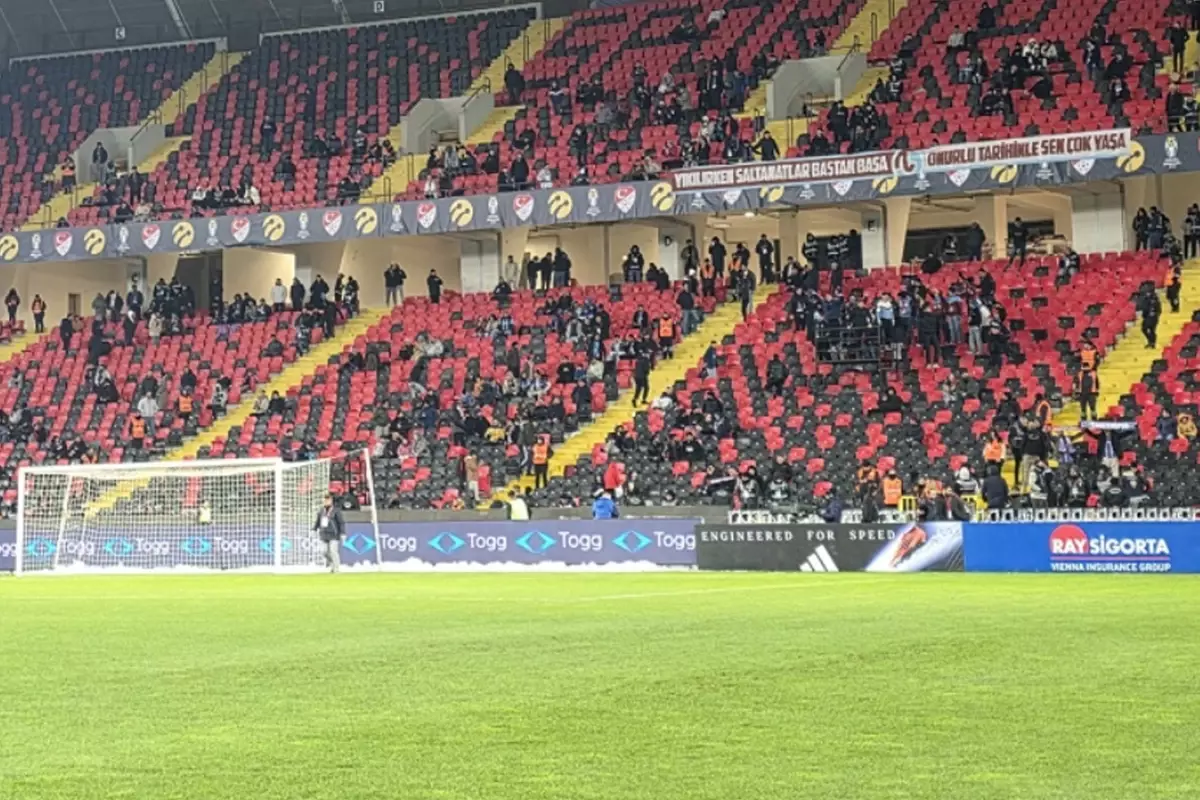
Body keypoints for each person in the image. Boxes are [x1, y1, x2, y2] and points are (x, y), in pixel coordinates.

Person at [313, 492, 345, 573]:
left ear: (331, 501)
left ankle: (336, 569)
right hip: (324, 534)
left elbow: (341, 522)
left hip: (334, 534)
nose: (326, 502)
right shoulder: (321, 511)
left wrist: (343, 533)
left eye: (328, 500)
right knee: (324, 551)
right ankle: (332, 563)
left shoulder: (336, 511)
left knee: (333, 551)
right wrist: (314, 529)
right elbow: (318, 521)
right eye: (325, 500)